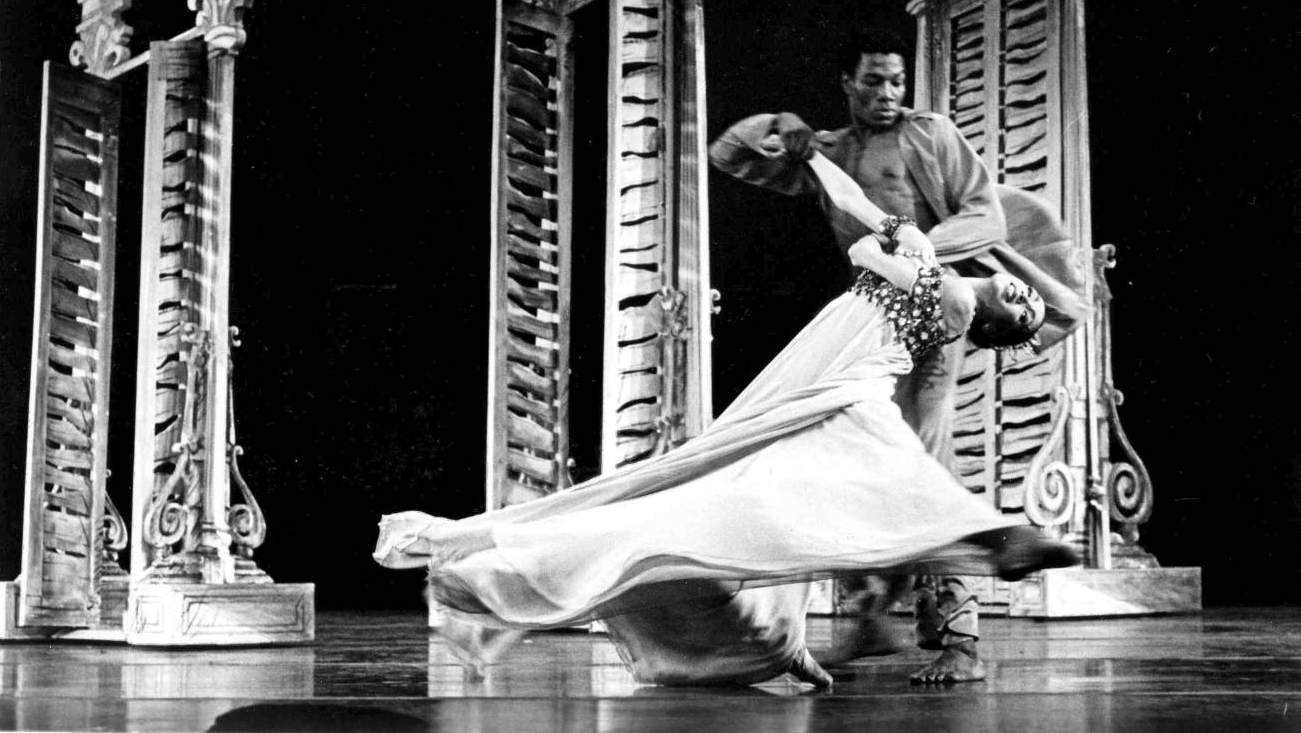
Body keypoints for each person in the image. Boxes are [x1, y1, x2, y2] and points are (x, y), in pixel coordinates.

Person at [373, 149, 1078, 692]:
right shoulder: (939, 267)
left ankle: (982, 542)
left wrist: (895, 244)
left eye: (1020, 315)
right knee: (764, 502)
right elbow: (860, 215)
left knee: (840, 485)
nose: (1021, 300)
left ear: (990, 325)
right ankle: (986, 539)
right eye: (1026, 298)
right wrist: (812, 159)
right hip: (824, 377)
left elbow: (868, 249)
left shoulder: (953, 302)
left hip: (848, 382)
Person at [709, 27, 1089, 684]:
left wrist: (919, 255)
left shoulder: (931, 134)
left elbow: (986, 216)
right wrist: (781, 123)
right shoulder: (828, 150)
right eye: (875, 81)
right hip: (875, 329)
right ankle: (869, 619)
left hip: (937, 318)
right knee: (854, 467)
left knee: (926, 471)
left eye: (897, 81)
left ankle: (960, 639)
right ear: (847, 84)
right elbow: (729, 152)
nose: (889, 94)